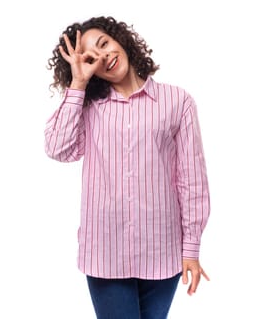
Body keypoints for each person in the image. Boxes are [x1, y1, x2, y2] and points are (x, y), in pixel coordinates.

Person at [44, 16, 210, 319]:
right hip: (105, 253)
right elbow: (57, 149)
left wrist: (192, 248)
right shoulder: (88, 107)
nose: (104, 56)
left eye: (104, 44)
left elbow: (192, 180)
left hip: (163, 252)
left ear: (121, 40)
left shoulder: (177, 101)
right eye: (91, 56)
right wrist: (78, 83)